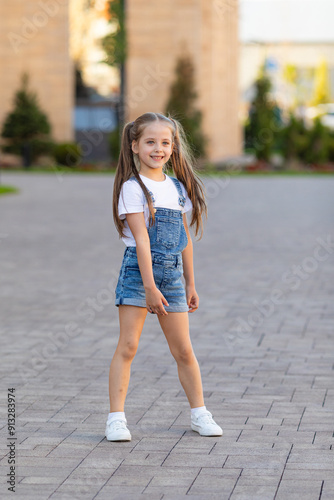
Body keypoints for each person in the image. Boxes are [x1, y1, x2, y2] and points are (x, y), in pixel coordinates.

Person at [106, 112, 222, 441]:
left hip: (171, 276)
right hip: (138, 275)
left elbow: (183, 238)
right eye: (151, 142)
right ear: (134, 146)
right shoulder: (133, 188)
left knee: (183, 349)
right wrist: (149, 287)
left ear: (173, 147)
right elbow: (142, 240)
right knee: (128, 346)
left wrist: (190, 283)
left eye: (165, 143)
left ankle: (200, 413)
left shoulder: (177, 188)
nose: (159, 149)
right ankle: (116, 418)